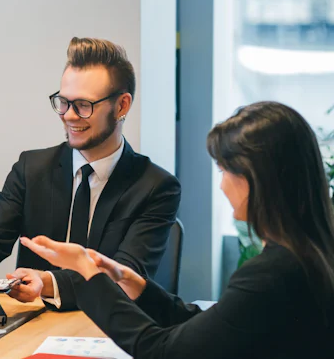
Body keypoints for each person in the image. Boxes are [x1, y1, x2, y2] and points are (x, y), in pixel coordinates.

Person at [20, 101, 334, 358]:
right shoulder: (309, 253)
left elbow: (162, 352)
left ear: (258, 179)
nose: (222, 184)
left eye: (224, 170)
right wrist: (137, 286)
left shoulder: (273, 273)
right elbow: (214, 327)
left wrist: (88, 276)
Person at [0, 37, 181, 310]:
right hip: (32, 325)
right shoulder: (31, 168)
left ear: (121, 106)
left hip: (110, 329)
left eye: (84, 105)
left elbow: (125, 274)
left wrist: (48, 282)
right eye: (63, 102)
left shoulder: (156, 186)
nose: (69, 116)